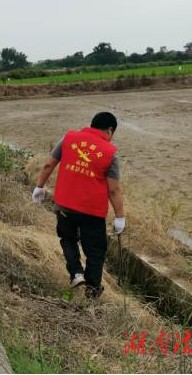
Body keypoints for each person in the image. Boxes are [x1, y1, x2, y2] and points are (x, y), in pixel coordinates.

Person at [32, 112, 125, 300]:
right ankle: (92, 292)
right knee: (96, 252)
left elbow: (49, 165)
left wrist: (39, 186)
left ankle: (76, 273)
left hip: (65, 206)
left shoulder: (69, 138)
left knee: (68, 239)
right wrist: (119, 217)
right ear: (109, 130)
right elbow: (114, 191)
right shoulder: (110, 152)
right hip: (92, 211)